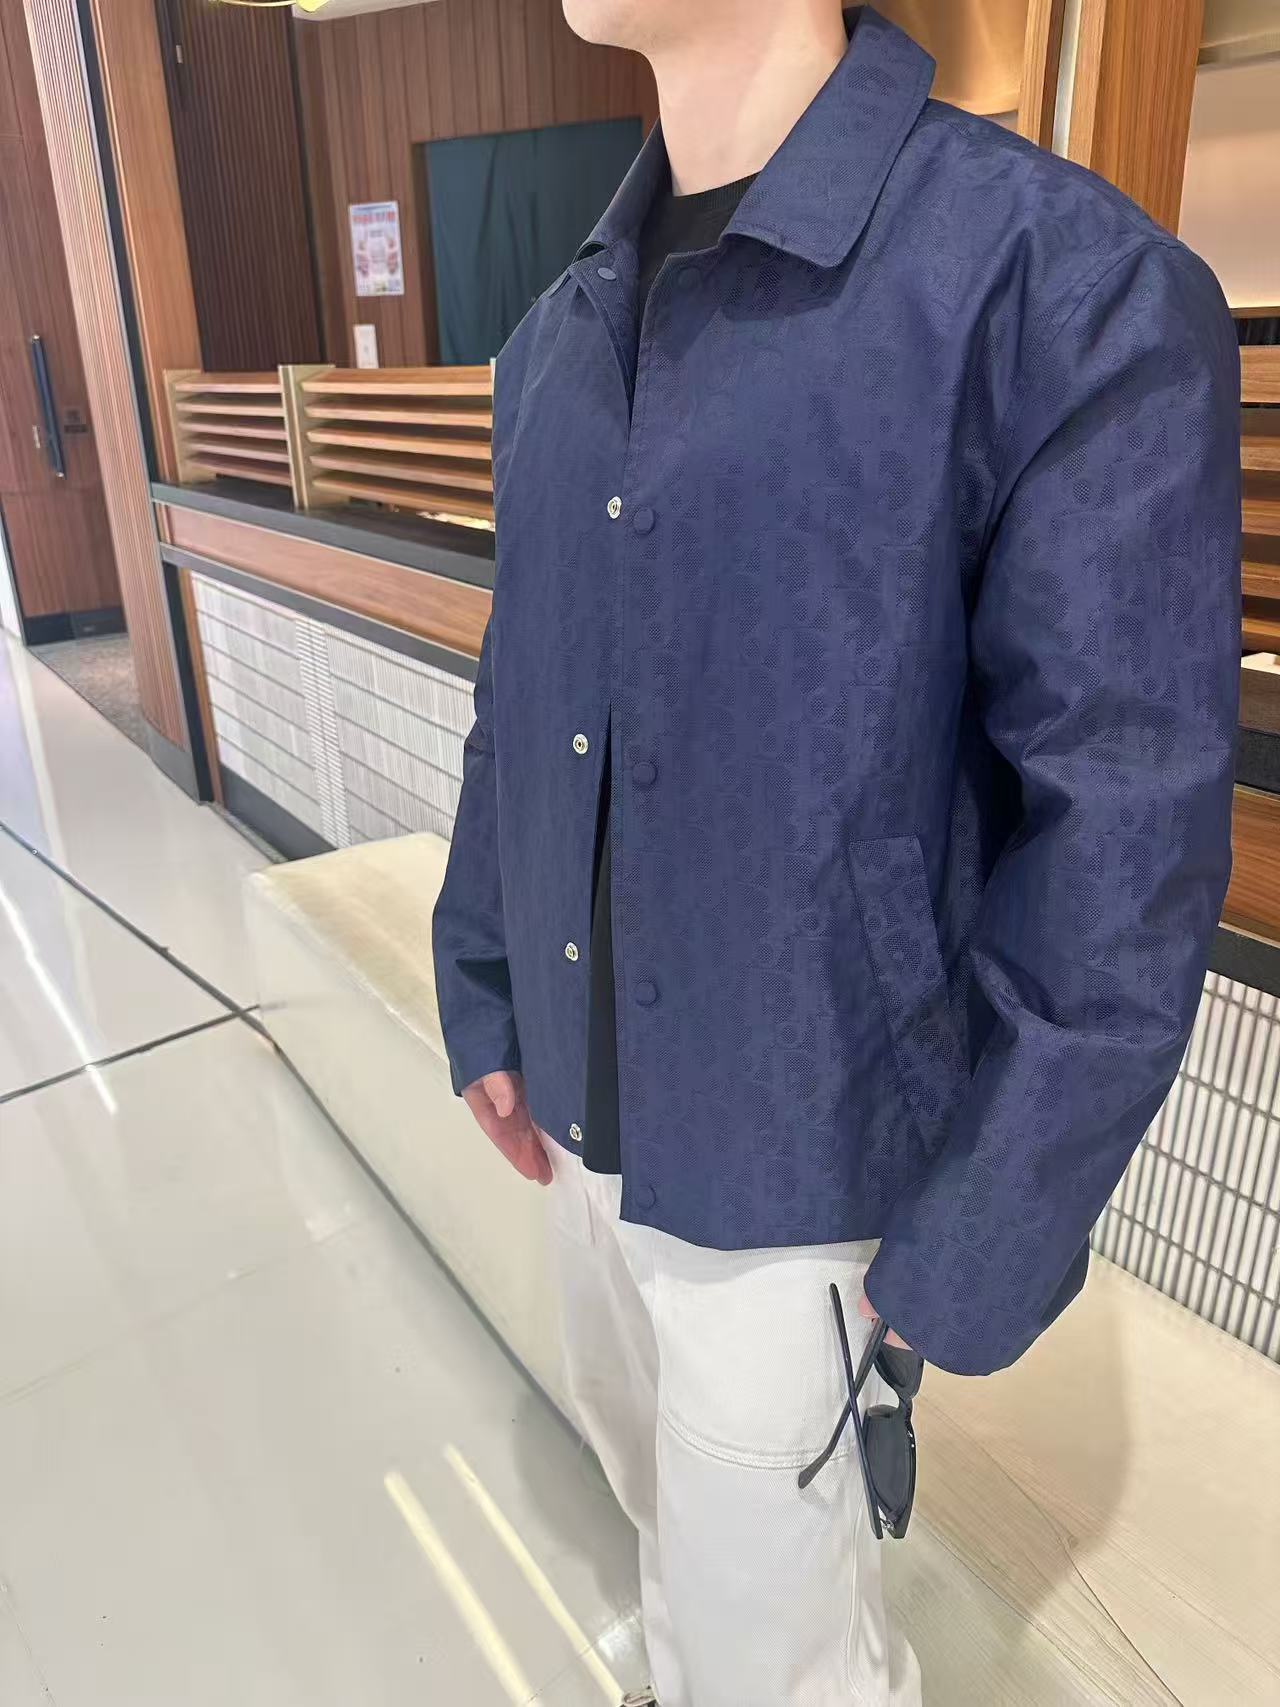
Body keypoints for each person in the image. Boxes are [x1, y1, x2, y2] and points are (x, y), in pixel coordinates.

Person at [433, 3, 1242, 1702]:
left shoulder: (1053, 285)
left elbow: (1123, 832)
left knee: (779, 1640)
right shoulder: (564, 328)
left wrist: (984, 1229)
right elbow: (527, 689)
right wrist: (487, 981)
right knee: (654, 1499)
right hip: (587, 1108)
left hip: (802, 1152)